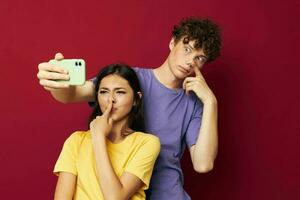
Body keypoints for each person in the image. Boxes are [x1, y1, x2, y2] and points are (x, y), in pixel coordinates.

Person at [38, 17, 221, 200]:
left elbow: (203, 164)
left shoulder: (194, 103)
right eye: (187, 49)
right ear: (172, 43)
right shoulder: (133, 79)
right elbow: (73, 94)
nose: (190, 61)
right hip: (119, 191)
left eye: (200, 58)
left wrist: (211, 102)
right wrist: (55, 82)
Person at [53, 64, 160, 200]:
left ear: (136, 99)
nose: (111, 99)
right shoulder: (76, 140)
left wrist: (98, 137)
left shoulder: (147, 143)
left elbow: (114, 197)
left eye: (120, 92)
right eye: (104, 92)